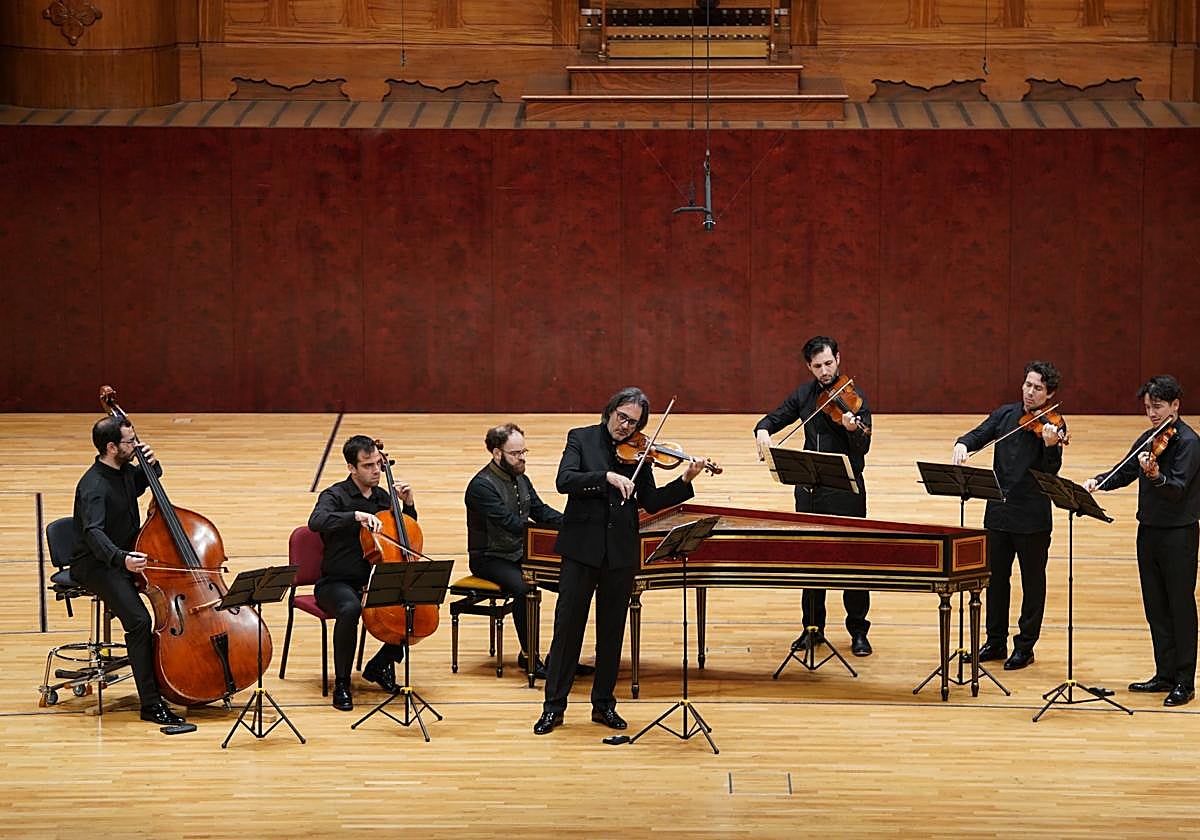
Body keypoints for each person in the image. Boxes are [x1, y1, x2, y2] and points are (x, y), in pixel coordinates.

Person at [533, 387, 705, 735]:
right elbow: (564, 480)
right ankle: (553, 708)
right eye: (622, 417)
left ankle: (604, 705)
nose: (626, 427)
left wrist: (685, 479)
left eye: (634, 422)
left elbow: (653, 501)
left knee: (611, 633)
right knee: (567, 632)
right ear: (609, 411)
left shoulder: (640, 453)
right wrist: (605, 478)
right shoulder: (580, 438)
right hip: (582, 550)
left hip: (620, 554)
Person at [754, 335, 873, 656]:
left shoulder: (854, 398)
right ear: (809, 366)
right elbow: (776, 417)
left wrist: (852, 430)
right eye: (817, 366)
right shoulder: (805, 395)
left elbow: (864, 445)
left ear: (838, 358)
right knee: (811, 562)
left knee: (853, 564)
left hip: (846, 492)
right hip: (809, 491)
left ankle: (859, 631)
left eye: (829, 364)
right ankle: (812, 628)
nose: (824, 371)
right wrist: (763, 429)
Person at [1084, 376, 1199, 707]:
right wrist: (1099, 482)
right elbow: (1124, 471)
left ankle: (1184, 681)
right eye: (1148, 407)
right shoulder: (1150, 439)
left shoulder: (1189, 443)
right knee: (1156, 607)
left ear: (1175, 405)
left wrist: (1155, 476)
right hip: (1148, 531)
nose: (1151, 413)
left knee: (1179, 606)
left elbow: (1176, 489)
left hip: (1178, 534)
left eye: (1158, 406)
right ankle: (1164, 674)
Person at [68, 416, 188, 727]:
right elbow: (93, 533)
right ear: (111, 447)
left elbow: (136, 487)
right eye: (129, 442)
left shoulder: (121, 471)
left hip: (125, 555)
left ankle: (169, 680)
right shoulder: (92, 486)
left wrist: (152, 467)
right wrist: (121, 560)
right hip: (96, 564)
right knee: (139, 622)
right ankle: (150, 704)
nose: (134, 445)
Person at [952, 361, 1066, 671]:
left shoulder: (1053, 426)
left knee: (1032, 584)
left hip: (1032, 520)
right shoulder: (1005, 414)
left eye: (1038, 388)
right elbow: (980, 434)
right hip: (999, 514)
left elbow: (1051, 470)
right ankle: (995, 640)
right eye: (1027, 385)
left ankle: (1025, 646)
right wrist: (963, 443)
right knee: (997, 580)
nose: (1030, 392)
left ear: (1049, 393)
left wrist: (1051, 446)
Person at [308, 435, 417, 711]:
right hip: (336, 582)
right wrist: (354, 516)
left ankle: (379, 665)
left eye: (379, 464)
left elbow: (405, 539)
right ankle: (342, 684)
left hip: (375, 580)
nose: (376, 471)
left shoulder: (384, 498)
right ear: (351, 468)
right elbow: (316, 521)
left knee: (413, 606)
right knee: (349, 608)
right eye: (368, 465)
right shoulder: (335, 496)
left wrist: (408, 505)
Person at [465, 423, 563, 679]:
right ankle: (529, 655)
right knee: (523, 587)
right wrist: (547, 535)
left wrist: (572, 522)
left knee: (571, 581)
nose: (522, 458)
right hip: (489, 558)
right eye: (515, 453)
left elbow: (540, 511)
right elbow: (509, 523)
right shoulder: (481, 486)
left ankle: (561, 655)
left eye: (523, 451)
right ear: (497, 453)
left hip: (519, 554)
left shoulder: (521, 478)